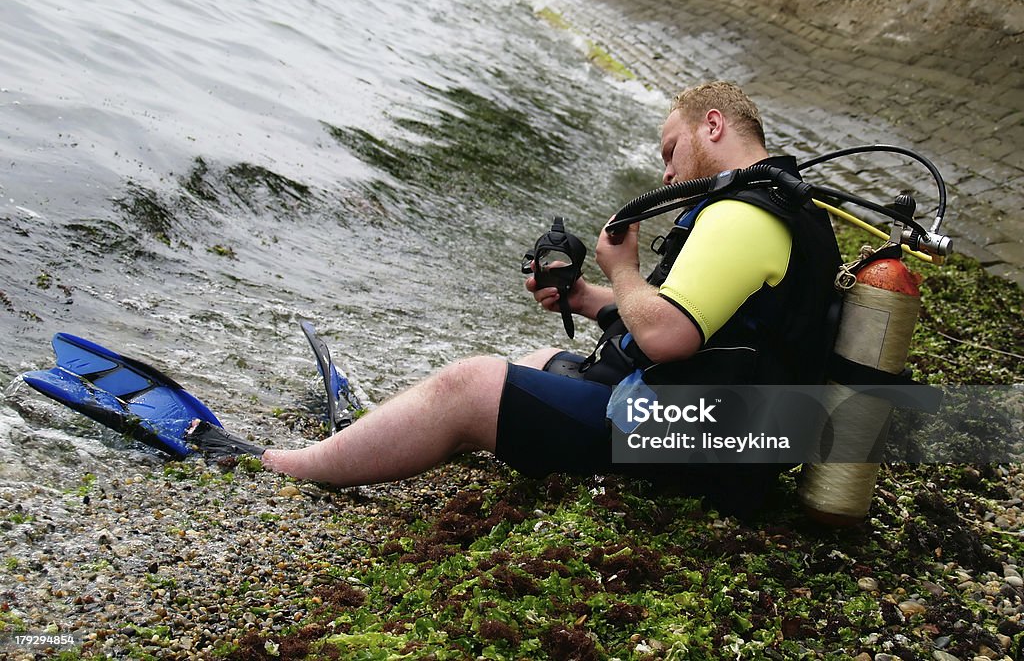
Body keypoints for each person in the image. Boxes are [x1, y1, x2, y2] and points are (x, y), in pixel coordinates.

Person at [197, 81, 841, 517]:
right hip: (732, 434)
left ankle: (294, 464)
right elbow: (720, 338)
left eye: (671, 152)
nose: (667, 174)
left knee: (470, 385)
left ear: (714, 124)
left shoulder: (740, 216)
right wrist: (589, 296)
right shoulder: (780, 208)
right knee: (538, 361)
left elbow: (668, 338)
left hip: (701, 446)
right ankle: (397, 437)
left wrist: (623, 269)